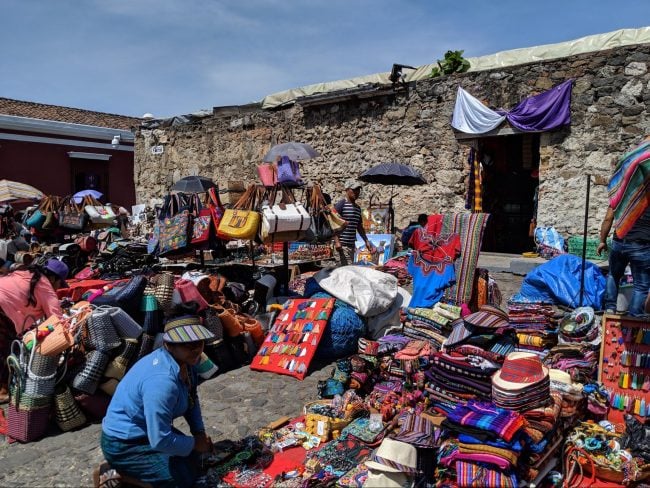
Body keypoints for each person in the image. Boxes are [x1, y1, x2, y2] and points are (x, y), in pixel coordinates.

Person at [100, 315, 216, 487]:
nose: (196, 350)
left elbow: (192, 399)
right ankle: (118, 472)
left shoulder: (187, 363)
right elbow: (160, 439)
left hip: (147, 430)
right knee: (182, 480)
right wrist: (194, 443)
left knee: (197, 462)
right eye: (187, 345)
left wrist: (199, 432)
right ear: (168, 345)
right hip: (124, 443)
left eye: (199, 343)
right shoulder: (162, 381)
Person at [0, 258, 67, 403]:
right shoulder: (44, 284)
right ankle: (2, 390)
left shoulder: (23, 272)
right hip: (2, 310)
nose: (59, 287)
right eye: (60, 283)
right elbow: (57, 319)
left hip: (3, 307)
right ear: (54, 278)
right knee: (6, 351)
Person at [597, 201, 650, 315]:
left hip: (619, 242)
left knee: (613, 275)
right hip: (641, 244)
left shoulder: (621, 194)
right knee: (641, 286)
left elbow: (608, 218)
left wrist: (602, 241)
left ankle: (610, 309)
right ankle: (634, 319)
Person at [334, 180, 375, 266]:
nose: (357, 192)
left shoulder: (357, 208)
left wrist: (366, 241)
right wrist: (337, 241)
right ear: (347, 190)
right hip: (342, 246)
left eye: (358, 190)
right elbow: (332, 222)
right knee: (346, 272)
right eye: (354, 190)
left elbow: (359, 227)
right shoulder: (341, 204)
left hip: (351, 246)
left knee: (348, 273)